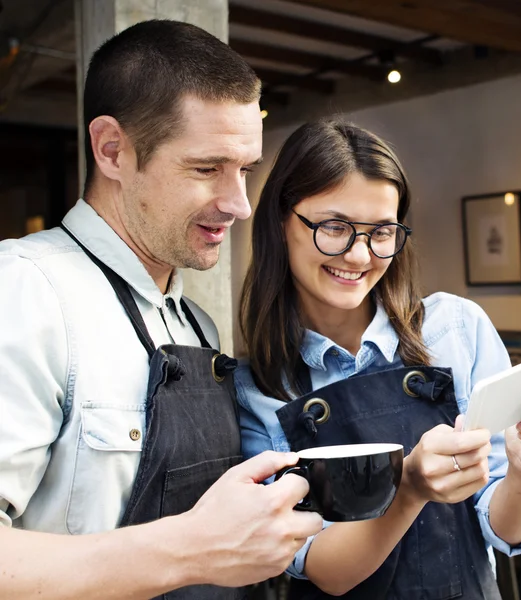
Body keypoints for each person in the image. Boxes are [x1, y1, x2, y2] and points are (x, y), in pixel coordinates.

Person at [0, 20, 322, 600]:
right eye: (206, 169)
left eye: (245, 170)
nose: (239, 205)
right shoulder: (25, 289)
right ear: (113, 150)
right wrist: (192, 550)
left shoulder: (195, 324)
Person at [235, 118, 521, 600]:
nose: (359, 256)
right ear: (280, 220)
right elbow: (323, 570)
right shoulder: (258, 386)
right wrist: (410, 488)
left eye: (381, 231)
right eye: (335, 227)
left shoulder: (457, 329)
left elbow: (506, 531)